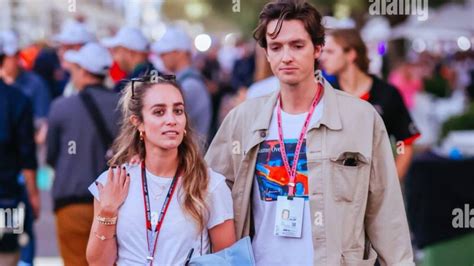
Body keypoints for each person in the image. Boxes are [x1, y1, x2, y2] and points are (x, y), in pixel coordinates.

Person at [205, 0, 414, 265]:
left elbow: (386, 211)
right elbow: (209, 193)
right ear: (266, 54)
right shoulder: (243, 120)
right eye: (276, 47)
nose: (286, 56)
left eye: (297, 45)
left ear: (317, 49)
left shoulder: (361, 118)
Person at [85, 74, 235, 265]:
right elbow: (98, 263)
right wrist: (107, 211)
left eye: (178, 111)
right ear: (138, 122)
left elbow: (228, 260)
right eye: (159, 112)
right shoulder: (113, 182)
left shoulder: (210, 184)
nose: (171, 120)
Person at [46, 43, 120, 266]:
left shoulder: (61, 107)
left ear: (83, 71)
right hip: (114, 202)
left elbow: (51, 156)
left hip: (71, 202)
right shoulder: (124, 106)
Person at [320, 29, 420, 179]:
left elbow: (403, 142)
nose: (323, 57)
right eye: (323, 51)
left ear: (351, 54)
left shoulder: (387, 93)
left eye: (330, 52)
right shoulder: (326, 94)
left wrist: (391, 182)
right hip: (336, 188)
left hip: (376, 185)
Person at [0, 29, 50, 266]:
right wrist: (33, 195)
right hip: (9, 197)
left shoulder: (24, 93)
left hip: (11, 195)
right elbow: (27, 157)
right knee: (10, 253)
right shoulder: (17, 99)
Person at [151, 27, 212, 142]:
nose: (161, 57)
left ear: (180, 53)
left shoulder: (189, 85)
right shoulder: (187, 81)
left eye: (164, 53)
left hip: (190, 156)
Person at [102, 26, 155, 92]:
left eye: (116, 51)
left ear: (130, 53)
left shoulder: (129, 86)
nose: (114, 58)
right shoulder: (156, 75)